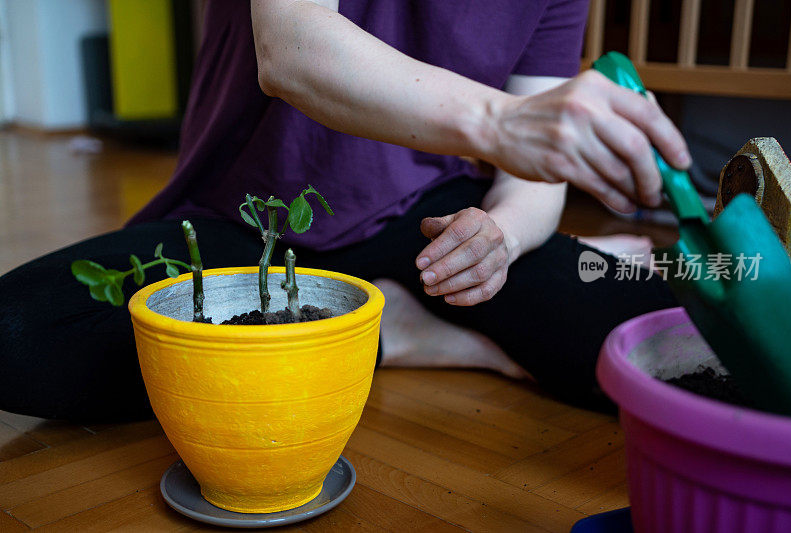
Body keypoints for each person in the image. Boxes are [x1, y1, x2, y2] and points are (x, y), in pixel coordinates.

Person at [0, 0, 685, 422]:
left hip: (426, 221)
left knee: (674, 346)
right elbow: (290, 46)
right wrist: (501, 122)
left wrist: (501, 234)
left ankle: (371, 322)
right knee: (17, 337)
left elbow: (533, 176)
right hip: (243, 219)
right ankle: (396, 334)